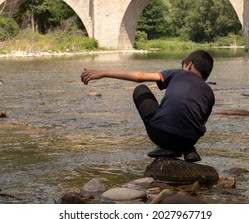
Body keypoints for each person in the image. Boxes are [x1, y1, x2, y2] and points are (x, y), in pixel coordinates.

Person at [80, 50, 215, 163]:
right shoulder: (209, 93)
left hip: (160, 134)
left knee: (141, 89)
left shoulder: (177, 73)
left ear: (189, 65)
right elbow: (201, 122)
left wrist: (103, 73)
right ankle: (188, 150)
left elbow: (139, 76)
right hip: (189, 139)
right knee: (187, 122)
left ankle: (168, 147)